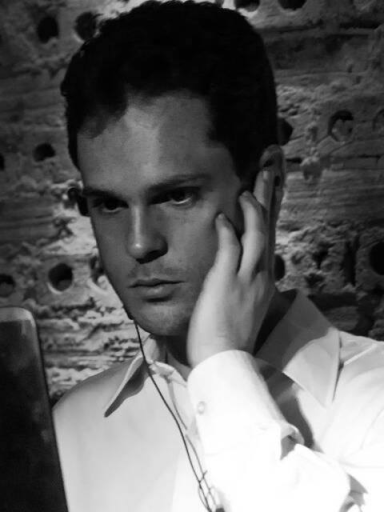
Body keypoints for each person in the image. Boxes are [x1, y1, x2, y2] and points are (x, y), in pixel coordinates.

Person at [53, 2, 384, 511]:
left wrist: (220, 365)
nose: (140, 244)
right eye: (110, 205)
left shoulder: (373, 400)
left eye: (176, 196)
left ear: (268, 186)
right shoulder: (67, 433)